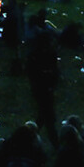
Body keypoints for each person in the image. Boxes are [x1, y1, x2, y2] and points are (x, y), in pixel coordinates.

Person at [26, 19, 61, 148]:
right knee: (47, 116)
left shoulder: (40, 54)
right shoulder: (42, 55)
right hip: (43, 87)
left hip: (43, 87)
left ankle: (30, 138)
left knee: (43, 116)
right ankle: (54, 143)